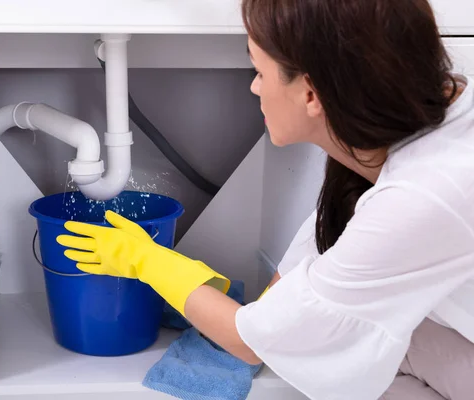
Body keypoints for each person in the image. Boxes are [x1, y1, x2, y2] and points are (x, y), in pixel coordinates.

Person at [55, 0, 474, 398]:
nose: (255, 87)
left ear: (311, 94)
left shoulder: (424, 194)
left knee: (338, 355)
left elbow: (252, 343)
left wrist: (149, 262)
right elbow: (307, 277)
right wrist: (202, 284)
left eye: (259, 71)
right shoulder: (403, 120)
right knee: (362, 353)